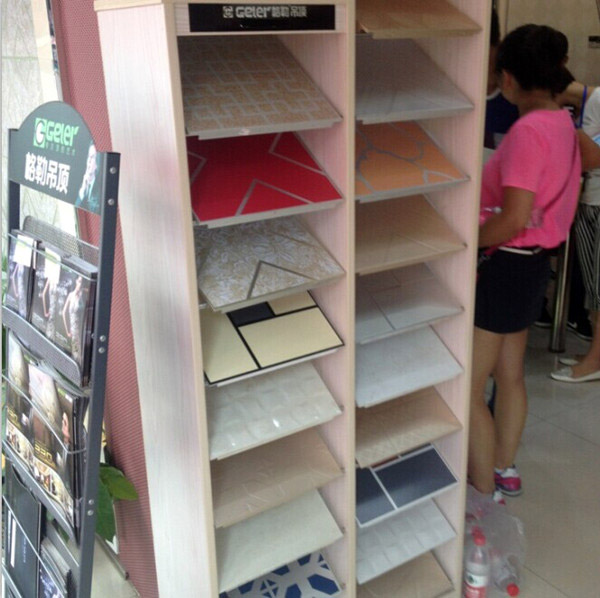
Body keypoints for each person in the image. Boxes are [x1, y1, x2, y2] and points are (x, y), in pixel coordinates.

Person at [469, 24, 582, 503]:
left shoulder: (527, 131)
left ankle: (483, 491)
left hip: (504, 264)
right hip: (534, 264)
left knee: (470, 387)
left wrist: (467, 245)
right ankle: (504, 468)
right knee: (510, 375)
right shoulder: (561, 122)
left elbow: (513, 218)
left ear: (509, 78)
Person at [551, 80, 600, 382]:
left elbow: (592, 155)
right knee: (594, 288)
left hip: (598, 200)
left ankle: (594, 361)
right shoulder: (590, 103)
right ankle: (595, 354)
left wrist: (568, 125)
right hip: (589, 200)